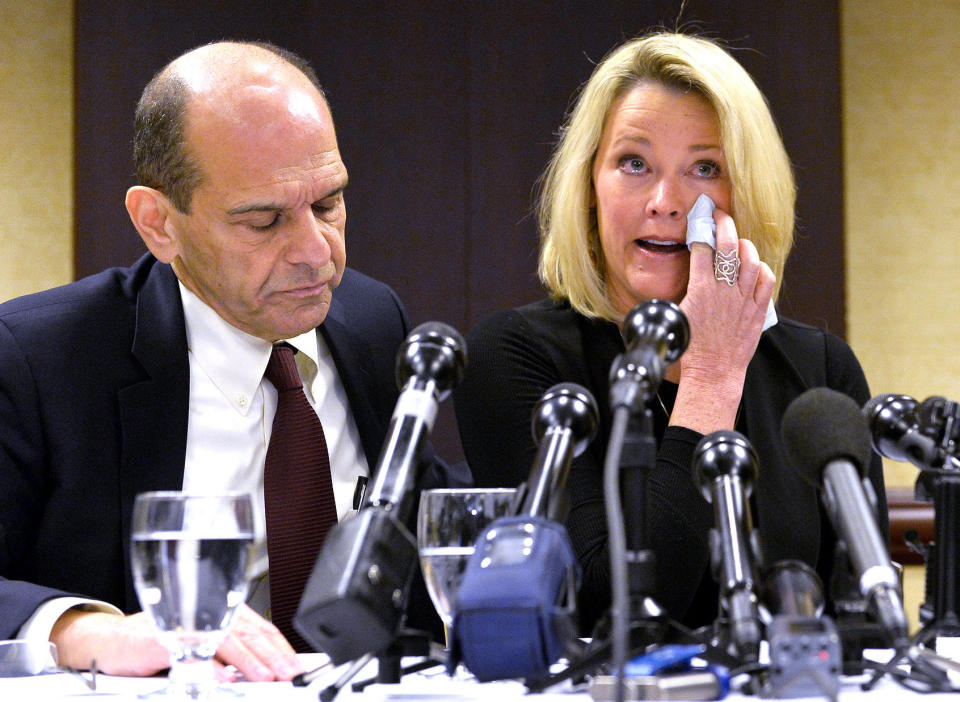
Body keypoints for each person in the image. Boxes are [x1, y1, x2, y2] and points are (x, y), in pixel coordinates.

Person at [0, 41, 453, 680]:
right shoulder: (41, 360)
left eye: (327, 204)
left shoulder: (373, 322)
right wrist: (89, 630)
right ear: (158, 223)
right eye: (264, 222)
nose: (316, 253)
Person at [453, 33, 888, 635]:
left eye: (705, 168)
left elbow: (861, 623)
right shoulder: (515, 356)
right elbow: (606, 614)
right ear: (589, 186)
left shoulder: (821, 371)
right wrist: (710, 379)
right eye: (634, 163)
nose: (665, 202)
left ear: (749, 195)